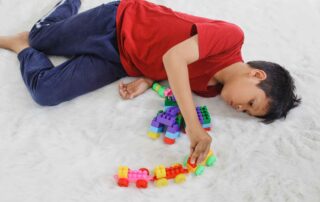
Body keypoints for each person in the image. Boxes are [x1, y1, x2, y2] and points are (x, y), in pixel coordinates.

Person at [0, 0, 301, 165]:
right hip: (118, 20)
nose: (239, 107)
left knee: (46, 92)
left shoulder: (209, 90)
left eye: (246, 113)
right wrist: (192, 125)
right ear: (256, 75)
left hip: (120, 60)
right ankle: (67, 5)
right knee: (42, 37)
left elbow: (172, 69)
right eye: (251, 102)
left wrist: (145, 79)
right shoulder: (231, 38)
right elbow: (175, 58)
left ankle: (20, 46)